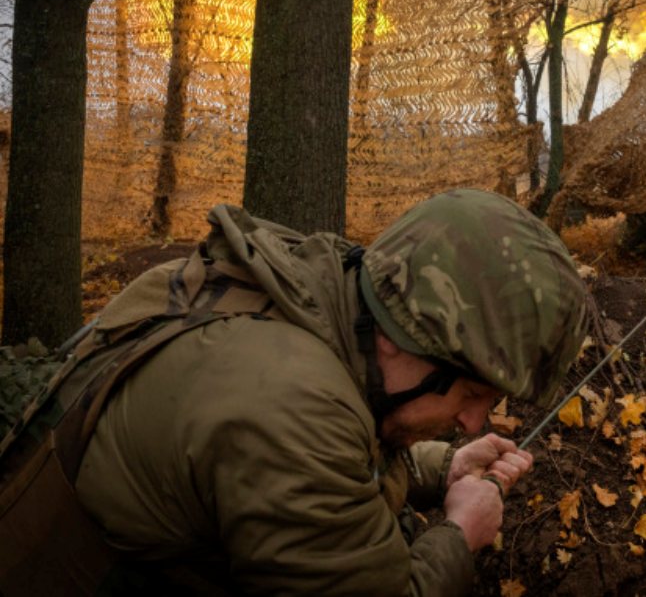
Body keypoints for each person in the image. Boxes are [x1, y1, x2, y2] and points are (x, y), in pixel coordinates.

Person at [0, 189, 588, 596]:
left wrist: (442, 468)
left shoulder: (295, 294)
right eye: (471, 395)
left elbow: (334, 446)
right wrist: (459, 537)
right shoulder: (289, 407)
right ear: (406, 342)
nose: (473, 422)